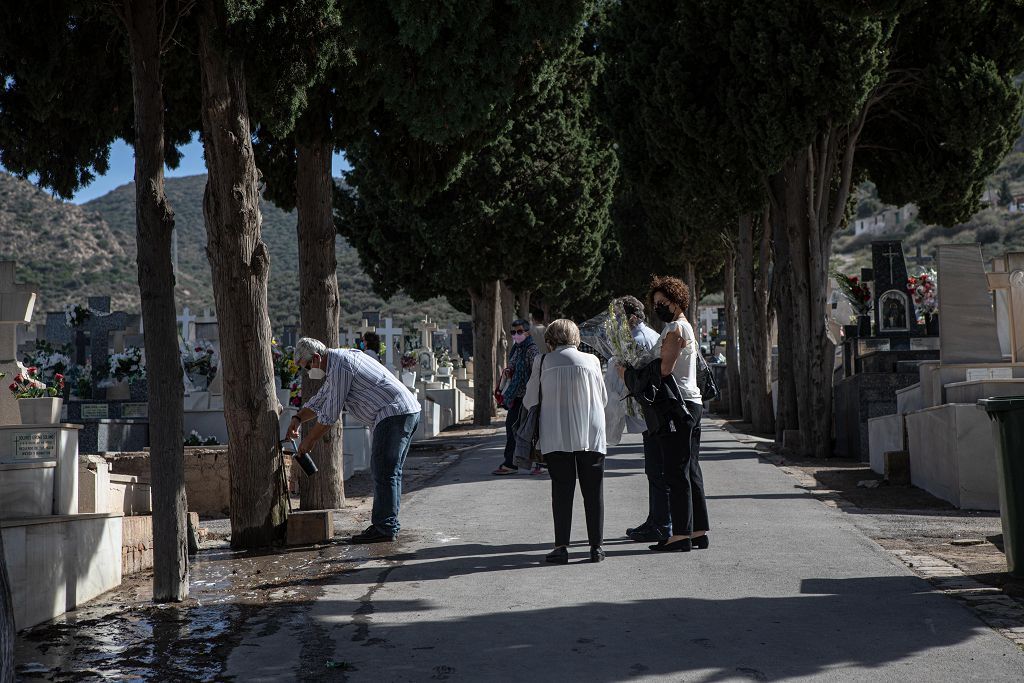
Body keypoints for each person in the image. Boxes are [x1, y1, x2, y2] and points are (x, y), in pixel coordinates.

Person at [286, 337, 421, 543]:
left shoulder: (340, 364)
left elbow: (330, 414)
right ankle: (385, 524)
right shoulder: (336, 364)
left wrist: (309, 441)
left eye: (306, 367)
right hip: (402, 412)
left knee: (385, 472)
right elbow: (321, 400)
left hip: (394, 413)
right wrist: (297, 419)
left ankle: (385, 528)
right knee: (388, 472)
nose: (307, 372)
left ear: (315, 358)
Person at [622, 275, 709, 553]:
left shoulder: (674, 328)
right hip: (691, 403)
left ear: (676, 300)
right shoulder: (686, 326)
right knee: (690, 468)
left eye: (663, 302)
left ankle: (680, 535)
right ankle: (697, 531)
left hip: (676, 405)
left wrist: (630, 375)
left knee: (675, 471)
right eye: (656, 302)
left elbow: (664, 369)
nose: (659, 306)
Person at [522, 319, 608, 564]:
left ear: (550, 340)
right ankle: (596, 547)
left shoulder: (543, 361)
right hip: (590, 435)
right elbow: (602, 399)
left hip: (555, 433)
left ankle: (561, 547)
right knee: (593, 492)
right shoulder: (592, 361)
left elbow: (530, 400)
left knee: (562, 490)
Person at [612, 296, 672, 544]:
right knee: (654, 470)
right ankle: (656, 519)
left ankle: (661, 524)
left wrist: (623, 373)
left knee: (657, 471)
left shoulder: (639, 340)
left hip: (655, 413)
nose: (616, 323)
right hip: (652, 413)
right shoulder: (642, 336)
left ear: (633, 317)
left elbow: (643, 378)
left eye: (619, 318)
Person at [493, 318, 540, 475]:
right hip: (517, 397)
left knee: (533, 431)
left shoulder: (531, 349)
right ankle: (511, 463)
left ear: (527, 332)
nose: (516, 335)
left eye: (520, 331)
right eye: (513, 332)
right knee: (512, 429)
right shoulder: (517, 349)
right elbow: (513, 366)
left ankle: (540, 464)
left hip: (529, 397)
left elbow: (536, 373)